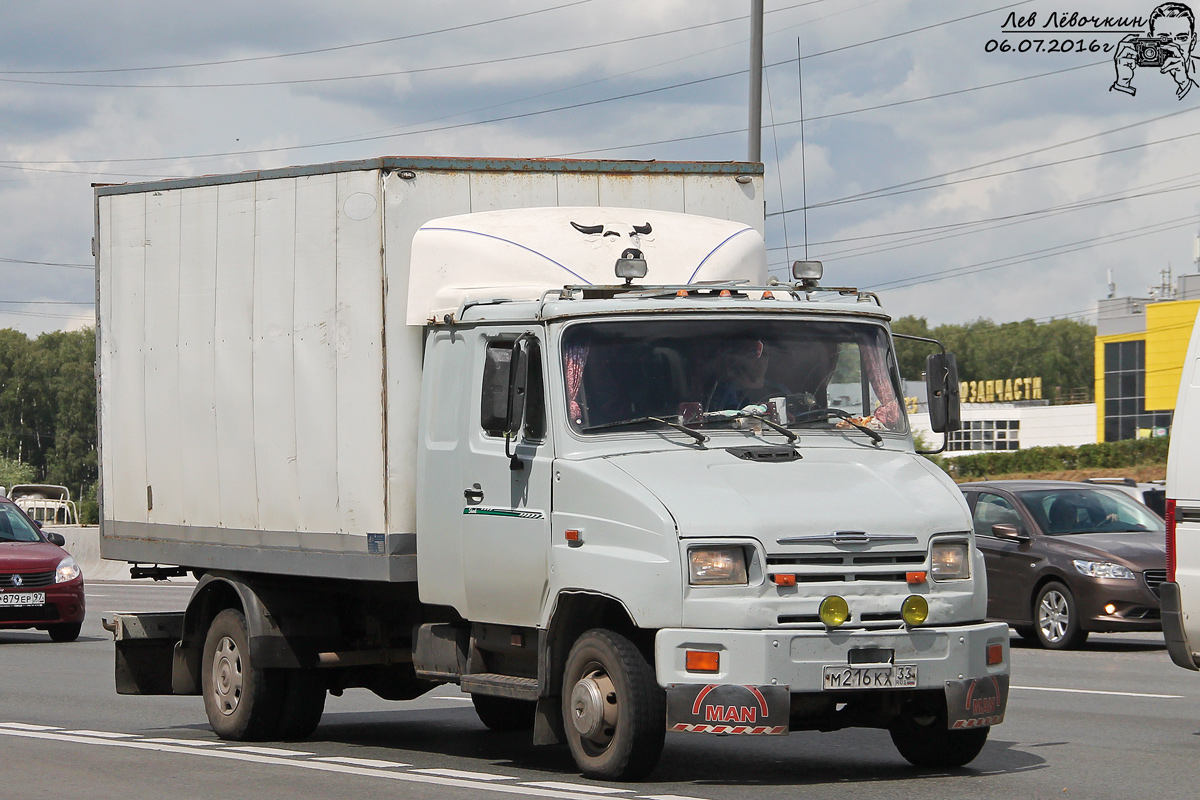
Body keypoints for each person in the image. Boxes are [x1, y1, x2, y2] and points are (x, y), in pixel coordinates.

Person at [1112, 2, 1199, 100]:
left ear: (1193, 41)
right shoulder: (1135, 71)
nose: (1173, 46)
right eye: (1163, 39)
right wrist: (1122, 83)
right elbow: (1109, 111)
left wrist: (1184, 83)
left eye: (1182, 38)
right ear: (1150, 39)